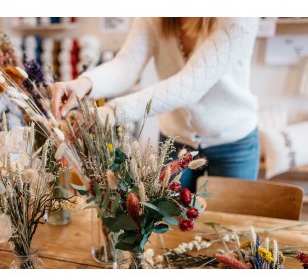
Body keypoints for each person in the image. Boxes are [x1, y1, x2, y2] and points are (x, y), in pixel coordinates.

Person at [51, 17, 260, 191]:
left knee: (228, 230)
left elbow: (189, 85)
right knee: (166, 227)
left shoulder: (239, 18)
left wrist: (113, 112)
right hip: (175, 140)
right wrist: (84, 84)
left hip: (234, 143)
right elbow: (126, 65)